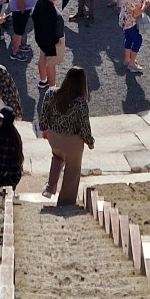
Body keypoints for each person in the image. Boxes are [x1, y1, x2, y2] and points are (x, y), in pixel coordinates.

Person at [38, 66, 94, 205]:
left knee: (57, 157)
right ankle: (66, 201)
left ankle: (49, 188)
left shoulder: (51, 93)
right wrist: (90, 141)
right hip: (72, 141)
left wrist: (45, 129)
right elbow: (84, 126)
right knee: (73, 169)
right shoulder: (80, 102)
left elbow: (44, 113)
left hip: (54, 138)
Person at [32, 0, 64, 91]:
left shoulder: (40, 2)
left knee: (42, 58)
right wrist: (56, 40)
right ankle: (52, 87)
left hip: (41, 39)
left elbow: (34, 17)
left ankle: (43, 81)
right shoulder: (49, 9)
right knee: (51, 63)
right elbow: (49, 28)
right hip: (51, 41)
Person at [118, 0, 148, 73]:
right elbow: (139, 11)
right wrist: (145, 4)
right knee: (138, 40)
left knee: (128, 39)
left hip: (124, 20)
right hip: (131, 22)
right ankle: (132, 63)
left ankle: (127, 59)